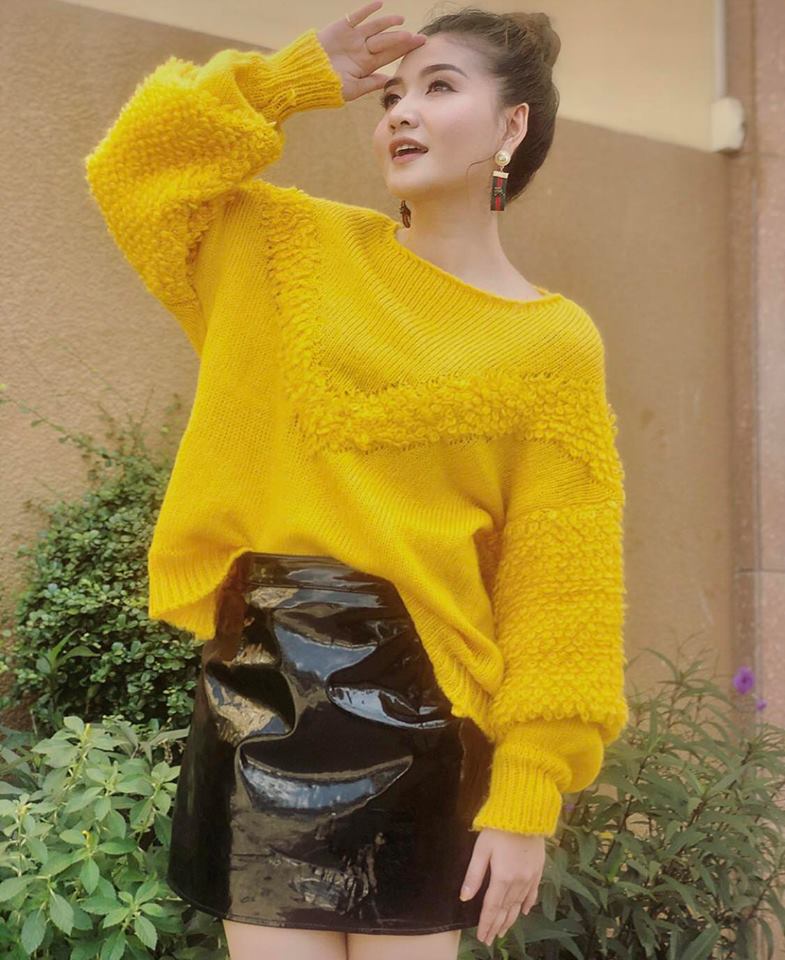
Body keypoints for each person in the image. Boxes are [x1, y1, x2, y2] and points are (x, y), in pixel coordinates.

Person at [83, 3, 629, 959]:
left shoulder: (553, 343)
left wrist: (528, 794)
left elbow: (562, 586)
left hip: (427, 708)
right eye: (390, 96)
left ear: (512, 125)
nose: (401, 112)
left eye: (439, 87)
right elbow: (130, 168)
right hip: (260, 694)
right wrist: (288, 81)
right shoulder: (286, 246)